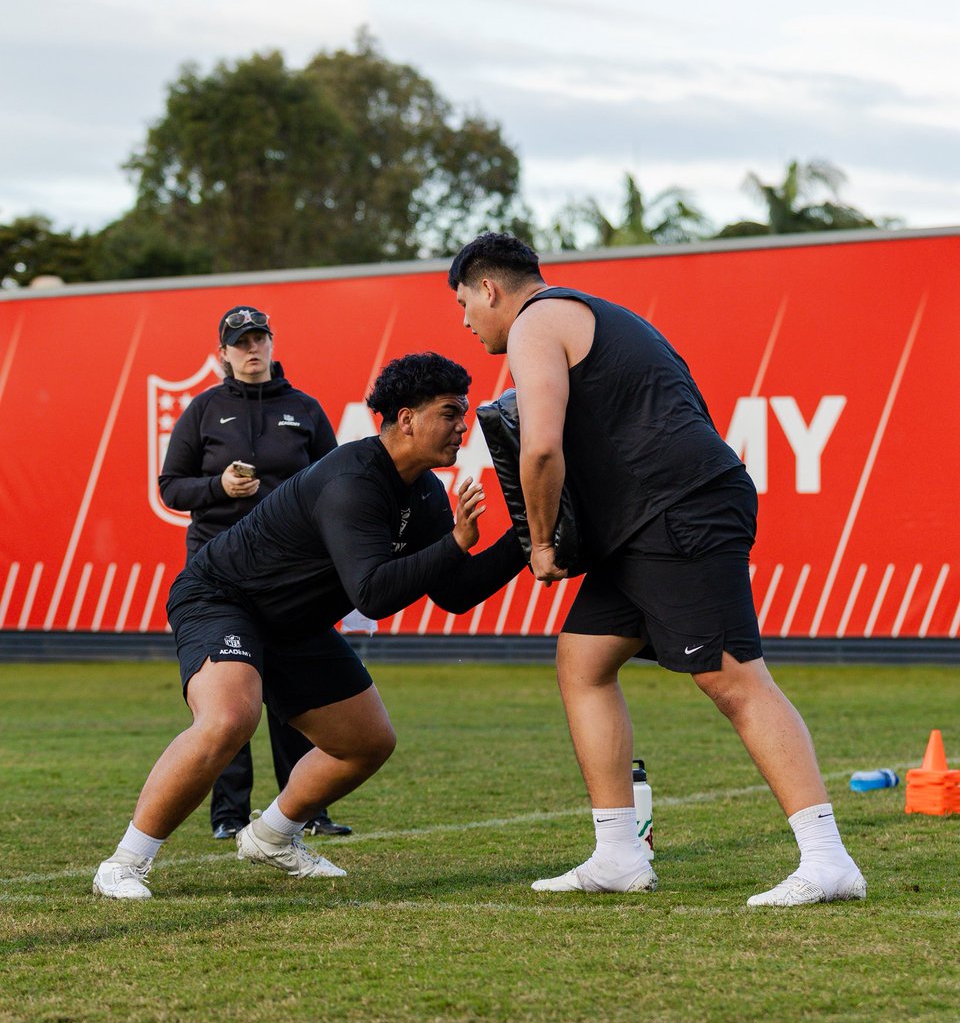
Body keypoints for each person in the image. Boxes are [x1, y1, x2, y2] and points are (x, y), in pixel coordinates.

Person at [448, 232, 866, 908]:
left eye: (464, 303)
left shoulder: (535, 323)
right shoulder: (599, 314)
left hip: (677, 513)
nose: (465, 320)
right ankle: (618, 853)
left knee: (731, 676)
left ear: (489, 288)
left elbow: (542, 448)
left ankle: (828, 860)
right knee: (583, 662)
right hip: (651, 521)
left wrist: (544, 543)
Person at [93, 352, 525, 899]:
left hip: (293, 623)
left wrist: (525, 536)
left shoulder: (422, 492)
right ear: (407, 417)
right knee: (229, 719)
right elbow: (373, 593)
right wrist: (455, 544)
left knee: (367, 742)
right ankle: (125, 862)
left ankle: (271, 836)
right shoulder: (353, 478)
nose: (463, 425)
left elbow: (456, 594)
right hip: (224, 599)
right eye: (450, 412)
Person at [159, 303, 353, 839]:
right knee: (230, 691)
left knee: (296, 692)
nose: (251, 349)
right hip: (217, 571)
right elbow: (171, 486)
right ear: (222, 354)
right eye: (240, 343)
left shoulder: (305, 409)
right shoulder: (202, 410)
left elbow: (336, 485)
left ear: (272, 344)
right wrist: (217, 487)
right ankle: (229, 815)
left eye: (259, 339)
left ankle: (305, 809)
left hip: (291, 571)